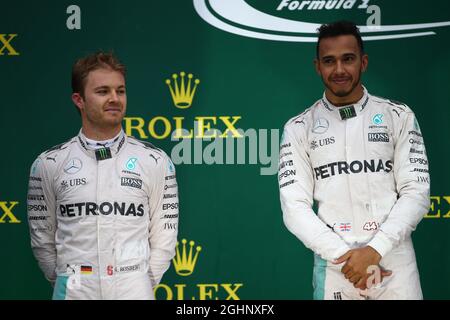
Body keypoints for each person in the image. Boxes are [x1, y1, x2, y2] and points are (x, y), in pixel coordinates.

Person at [278, 21, 430, 300]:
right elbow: (294, 207)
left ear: (364, 62)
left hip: (395, 262)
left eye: (348, 59)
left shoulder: (398, 116)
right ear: (317, 66)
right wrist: (346, 257)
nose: (339, 70)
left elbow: (416, 192)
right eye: (329, 61)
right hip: (337, 268)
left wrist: (375, 250)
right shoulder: (298, 128)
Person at [27, 52, 179, 300]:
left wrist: (137, 281)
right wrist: (69, 278)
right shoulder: (48, 164)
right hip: (74, 289)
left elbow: (165, 235)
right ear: (79, 99)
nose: (114, 99)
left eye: (120, 91)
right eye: (103, 91)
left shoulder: (155, 161)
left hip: (134, 288)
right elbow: (42, 238)